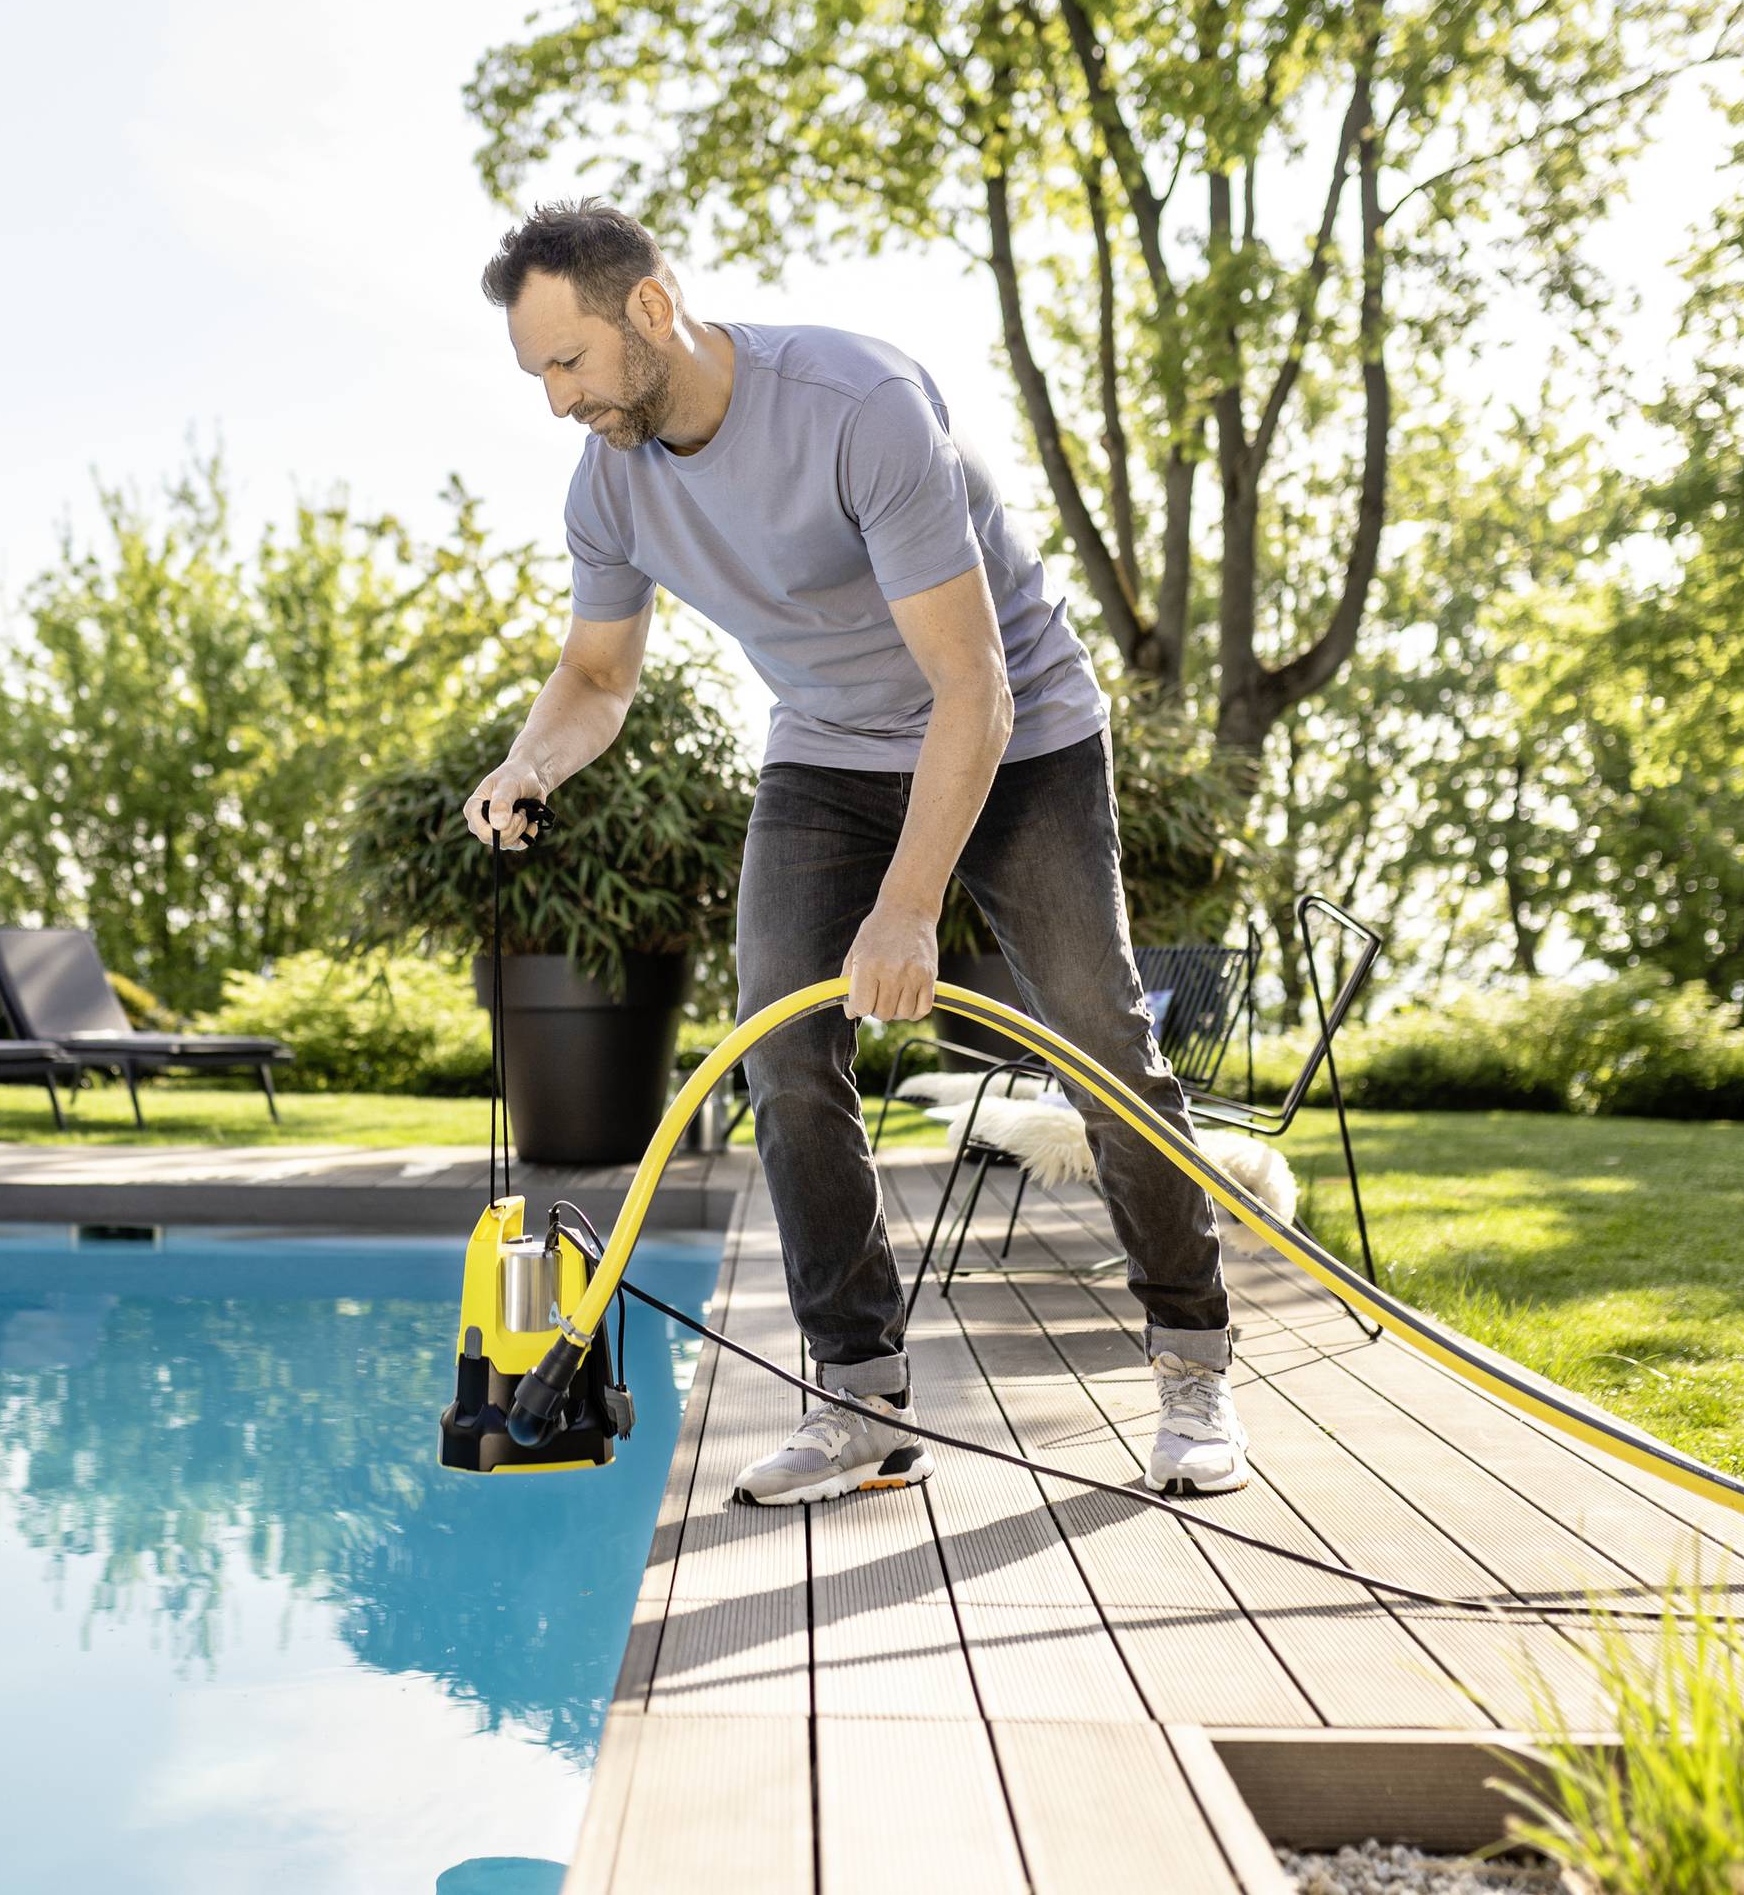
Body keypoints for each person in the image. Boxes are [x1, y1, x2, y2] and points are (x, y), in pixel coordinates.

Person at [460, 199, 1250, 1505]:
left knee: (1103, 1042)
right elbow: (598, 675)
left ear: (649, 309)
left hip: (1021, 734)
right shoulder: (610, 483)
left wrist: (907, 907)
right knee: (783, 1047)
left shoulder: (855, 403)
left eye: (569, 362)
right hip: (828, 753)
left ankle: (1191, 1367)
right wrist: (529, 762)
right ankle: (859, 1400)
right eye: (538, 371)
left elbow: (971, 686)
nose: (557, 400)